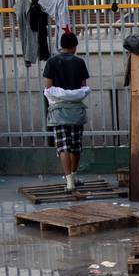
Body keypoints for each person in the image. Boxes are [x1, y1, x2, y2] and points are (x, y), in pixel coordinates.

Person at [43, 31, 91, 191]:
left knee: (63, 146)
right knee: (76, 146)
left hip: (58, 111)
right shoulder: (80, 62)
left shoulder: (52, 62)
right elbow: (83, 87)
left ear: (62, 46)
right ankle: (74, 176)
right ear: (75, 46)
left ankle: (69, 181)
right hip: (76, 111)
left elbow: (48, 87)